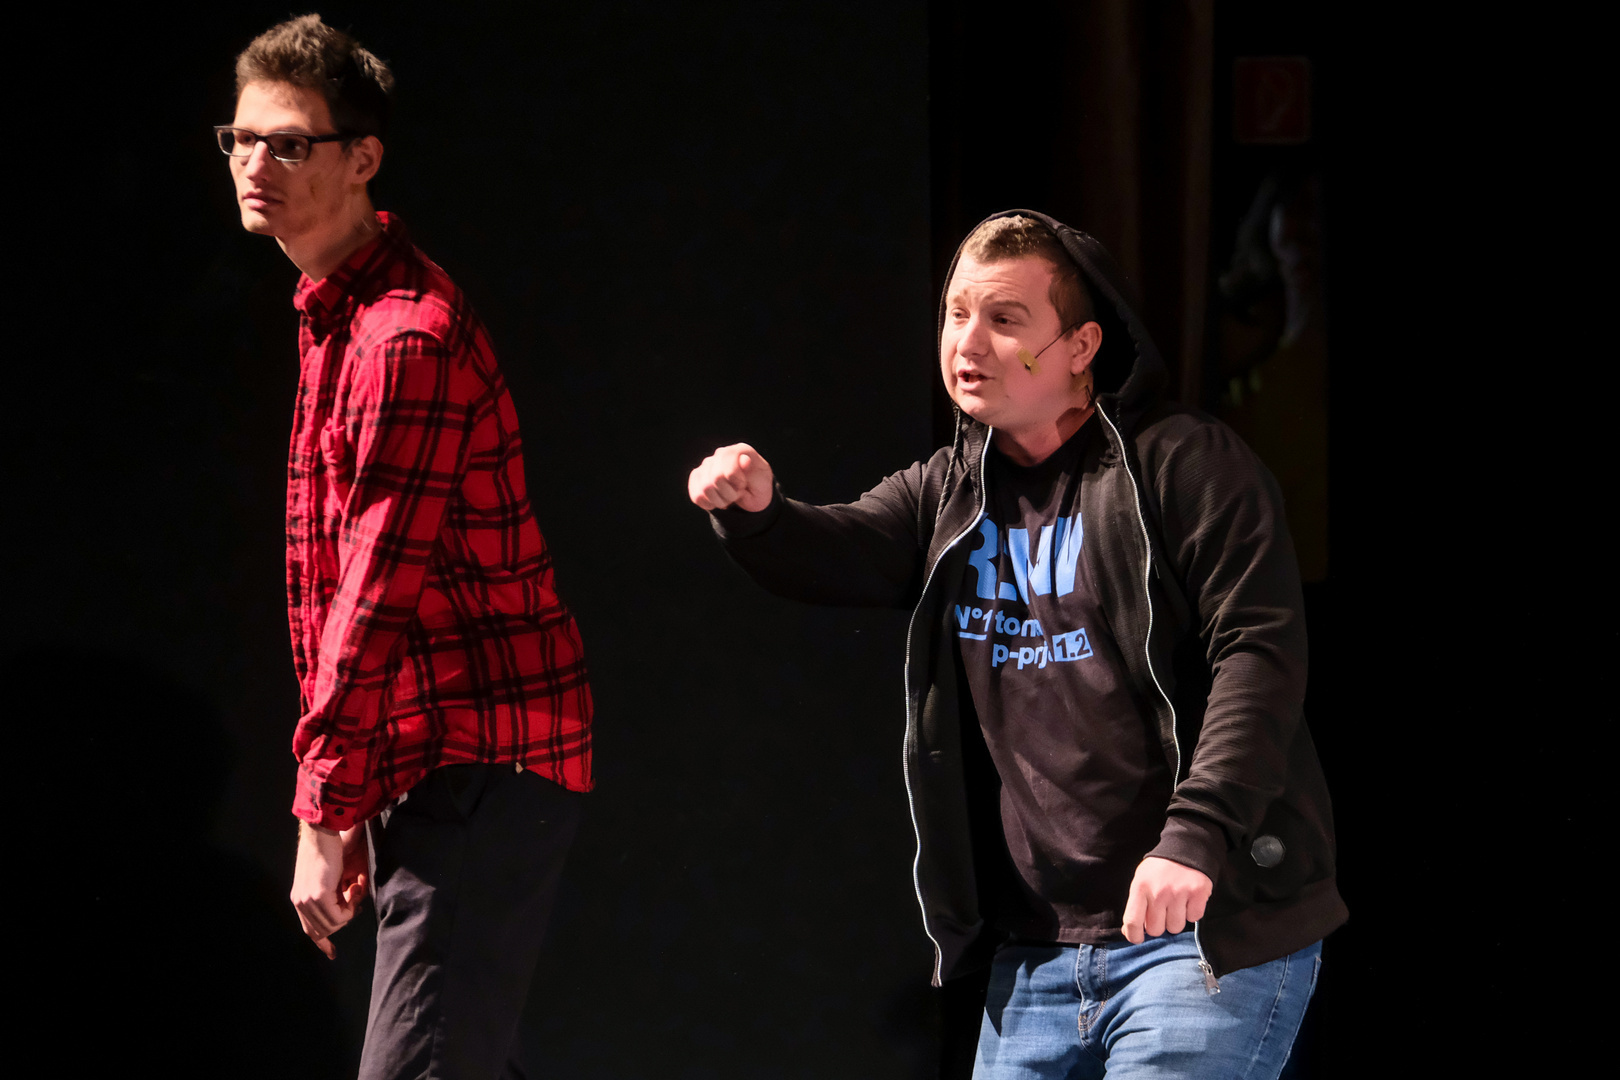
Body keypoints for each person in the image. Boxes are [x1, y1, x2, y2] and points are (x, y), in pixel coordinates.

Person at [688, 211, 1345, 1078]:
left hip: (1200, 932)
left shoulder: (1184, 465)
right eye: (957, 314)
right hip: (1035, 957)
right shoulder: (952, 491)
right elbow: (839, 551)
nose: (969, 342)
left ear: (1080, 346)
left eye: (1004, 319)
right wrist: (758, 514)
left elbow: (1258, 658)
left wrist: (1198, 835)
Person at [219, 16, 593, 1078]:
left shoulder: (401, 337)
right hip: (437, 758)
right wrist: (355, 793)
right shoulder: (338, 316)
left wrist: (323, 806)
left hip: (482, 751)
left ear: (362, 158)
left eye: (290, 142)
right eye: (241, 139)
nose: (256, 164)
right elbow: (335, 579)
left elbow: (373, 593)